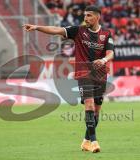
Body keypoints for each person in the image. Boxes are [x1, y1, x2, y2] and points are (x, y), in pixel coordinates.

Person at [23, 5, 114, 153]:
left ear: (97, 17)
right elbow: (56, 30)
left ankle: (85, 141)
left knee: (97, 111)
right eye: (85, 15)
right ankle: (95, 142)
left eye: (89, 15)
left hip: (101, 74)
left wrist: (103, 60)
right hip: (83, 73)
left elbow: (111, 53)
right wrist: (37, 27)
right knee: (89, 105)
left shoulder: (106, 34)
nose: (86, 18)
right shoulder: (78, 31)